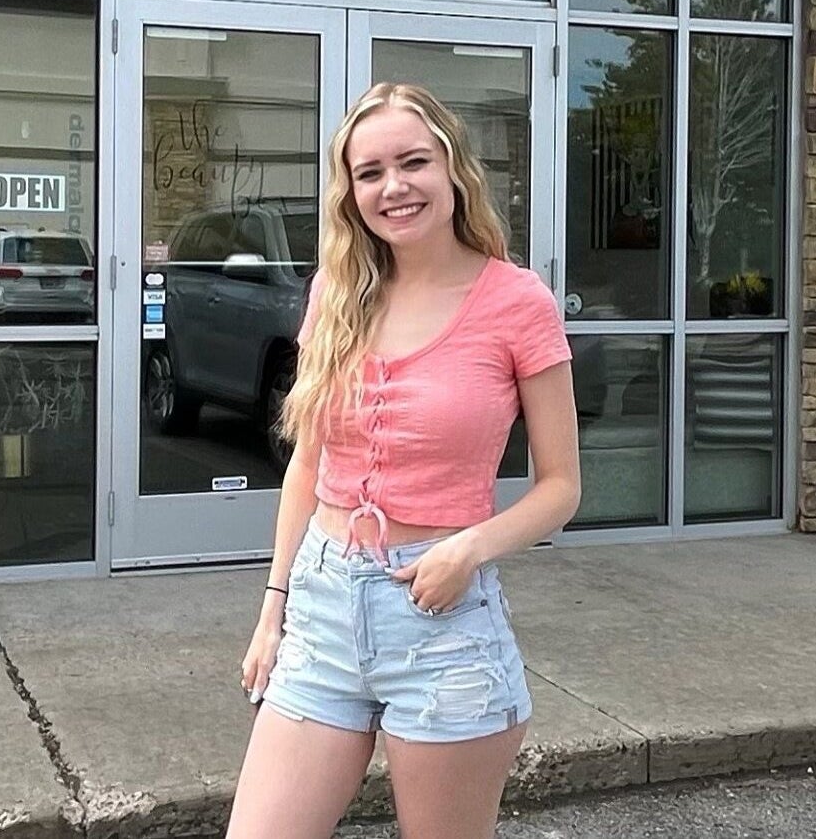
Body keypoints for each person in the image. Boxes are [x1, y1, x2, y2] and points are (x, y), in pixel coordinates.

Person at [228, 83, 581, 839]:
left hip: (442, 624)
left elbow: (561, 487)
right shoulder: (338, 291)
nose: (394, 186)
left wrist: (470, 549)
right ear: (350, 192)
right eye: (369, 172)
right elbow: (306, 468)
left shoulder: (518, 302)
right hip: (322, 614)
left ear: (452, 168)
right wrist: (273, 612)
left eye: (413, 162)